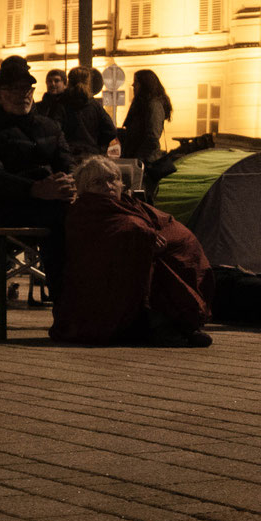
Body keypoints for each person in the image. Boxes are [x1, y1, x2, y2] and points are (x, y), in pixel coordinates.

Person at [52, 156, 212, 348]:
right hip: (111, 285)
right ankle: (159, 325)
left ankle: (178, 324)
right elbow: (114, 235)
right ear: (84, 189)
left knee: (169, 256)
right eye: (97, 182)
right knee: (143, 254)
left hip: (149, 260)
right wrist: (144, 238)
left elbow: (166, 223)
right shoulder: (85, 210)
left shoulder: (129, 203)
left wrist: (164, 241)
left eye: (112, 179)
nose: (108, 186)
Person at [0, 55, 76, 303]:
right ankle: (66, 300)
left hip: (48, 201)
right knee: (61, 220)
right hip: (2, 207)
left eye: (27, 89)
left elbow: (68, 165)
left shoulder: (50, 127)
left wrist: (69, 184)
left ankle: (92, 298)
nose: (23, 94)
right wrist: (35, 188)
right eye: (15, 89)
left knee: (87, 216)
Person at [119, 69, 174, 200]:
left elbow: (152, 137)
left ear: (145, 84)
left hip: (145, 164)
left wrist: (139, 160)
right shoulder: (142, 104)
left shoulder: (153, 105)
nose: (133, 86)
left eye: (136, 82)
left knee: (141, 200)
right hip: (136, 161)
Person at [57, 65, 119, 162]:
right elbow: (111, 131)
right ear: (88, 82)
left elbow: (55, 130)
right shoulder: (94, 105)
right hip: (91, 156)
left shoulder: (61, 103)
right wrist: (98, 147)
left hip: (68, 156)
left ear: (69, 82)